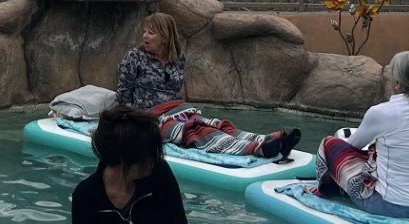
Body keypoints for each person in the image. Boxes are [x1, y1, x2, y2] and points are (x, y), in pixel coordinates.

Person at [114, 13, 300, 160]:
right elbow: (123, 95)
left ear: (164, 37)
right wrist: (119, 123)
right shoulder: (134, 57)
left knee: (215, 124)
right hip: (150, 117)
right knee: (194, 131)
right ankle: (258, 149)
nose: (145, 36)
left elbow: (175, 92)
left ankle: (274, 139)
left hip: (177, 109)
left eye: (151, 32)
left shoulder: (177, 58)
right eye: (144, 31)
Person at [325, 49, 409, 217]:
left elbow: (352, 147)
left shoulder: (381, 112)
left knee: (331, 146)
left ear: (397, 82)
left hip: (392, 205)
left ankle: (325, 187)